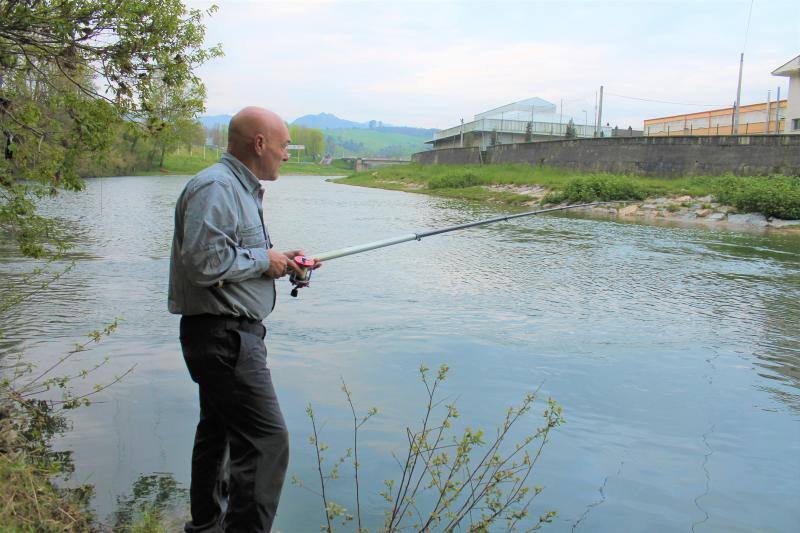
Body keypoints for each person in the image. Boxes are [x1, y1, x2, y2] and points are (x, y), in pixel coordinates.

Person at [168, 107, 319, 532]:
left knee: (217, 436)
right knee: (268, 441)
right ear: (259, 144)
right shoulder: (217, 187)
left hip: (224, 336)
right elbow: (201, 262)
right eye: (284, 145)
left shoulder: (237, 189)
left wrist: (282, 261)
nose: (287, 154)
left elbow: (233, 259)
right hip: (225, 338)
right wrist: (262, 259)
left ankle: (207, 527)